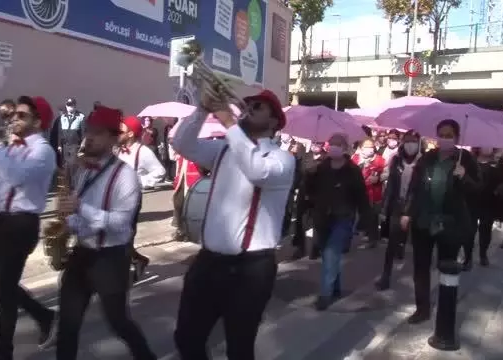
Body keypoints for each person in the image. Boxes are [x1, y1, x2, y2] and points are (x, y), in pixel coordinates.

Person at [171, 87, 295, 359]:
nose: (250, 107)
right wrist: (202, 110)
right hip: (209, 261)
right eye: (249, 103)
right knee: (186, 338)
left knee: (239, 347)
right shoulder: (224, 149)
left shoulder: (281, 158)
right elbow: (181, 144)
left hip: (251, 268)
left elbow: (256, 171)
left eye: (259, 106)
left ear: (274, 122)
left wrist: (228, 123)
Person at [52, 106, 157, 360]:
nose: (89, 137)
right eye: (88, 131)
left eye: (98, 133)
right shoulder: (83, 170)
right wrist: (68, 223)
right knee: (67, 324)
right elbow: (81, 219)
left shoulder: (126, 176)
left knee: (119, 322)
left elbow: (122, 225)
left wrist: (81, 208)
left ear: (113, 138)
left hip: (110, 260)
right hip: (81, 254)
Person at [0, 96, 57, 360]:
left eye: (21, 115)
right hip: (2, 221)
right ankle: (44, 317)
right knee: (3, 290)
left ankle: (5, 351)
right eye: (14, 115)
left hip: (22, 224)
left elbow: (16, 177)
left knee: (6, 288)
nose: (13, 120)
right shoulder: (11, 147)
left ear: (38, 121)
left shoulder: (43, 150)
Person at [401, 119, 480, 324]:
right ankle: (422, 309)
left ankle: (446, 305)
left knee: (446, 266)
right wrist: (407, 212)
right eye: (441, 134)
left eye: (449, 135)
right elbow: (414, 187)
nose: (444, 138)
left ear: (456, 137)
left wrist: (464, 177)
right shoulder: (427, 158)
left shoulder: (466, 159)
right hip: (423, 221)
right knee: (421, 267)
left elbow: (479, 191)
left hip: (450, 223)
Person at [306, 133, 371, 310]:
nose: (333, 147)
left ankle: (325, 294)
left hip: (343, 218)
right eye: (331, 144)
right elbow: (309, 192)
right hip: (323, 218)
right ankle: (336, 288)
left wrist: (366, 220)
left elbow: (362, 197)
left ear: (345, 148)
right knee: (330, 255)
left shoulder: (352, 170)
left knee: (330, 253)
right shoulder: (321, 168)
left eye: (338, 144)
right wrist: (309, 175)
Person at [117, 115, 166, 281]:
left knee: (124, 237)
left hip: (131, 200)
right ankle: (138, 260)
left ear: (130, 134)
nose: (117, 133)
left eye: (120, 130)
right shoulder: (118, 149)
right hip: (115, 199)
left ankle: (121, 275)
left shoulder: (143, 152)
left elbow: (160, 172)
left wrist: (140, 181)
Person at [376, 130, 422, 290]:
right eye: (407, 141)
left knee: (418, 245)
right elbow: (390, 187)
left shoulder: (423, 162)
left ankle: (419, 281)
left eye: (413, 141)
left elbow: (420, 190)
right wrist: (384, 208)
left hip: (416, 208)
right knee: (391, 244)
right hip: (398, 205)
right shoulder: (396, 160)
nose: (410, 144)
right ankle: (385, 276)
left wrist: (410, 212)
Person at [462, 147, 503, 268]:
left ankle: (483, 254)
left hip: (489, 201)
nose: (486, 147)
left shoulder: (498, 164)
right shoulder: (470, 161)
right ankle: (468, 258)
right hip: (471, 201)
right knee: (469, 231)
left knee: (485, 230)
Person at [50, 98, 85, 169]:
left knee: (73, 166)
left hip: (75, 146)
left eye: (71, 105)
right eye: (68, 105)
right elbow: (60, 132)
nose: (69, 107)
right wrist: (59, 145)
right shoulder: (62, 118)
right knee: (64, 166)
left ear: (75, 106)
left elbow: (83, 132)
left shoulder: (80, 117)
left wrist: (82, 146)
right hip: (65, 146)